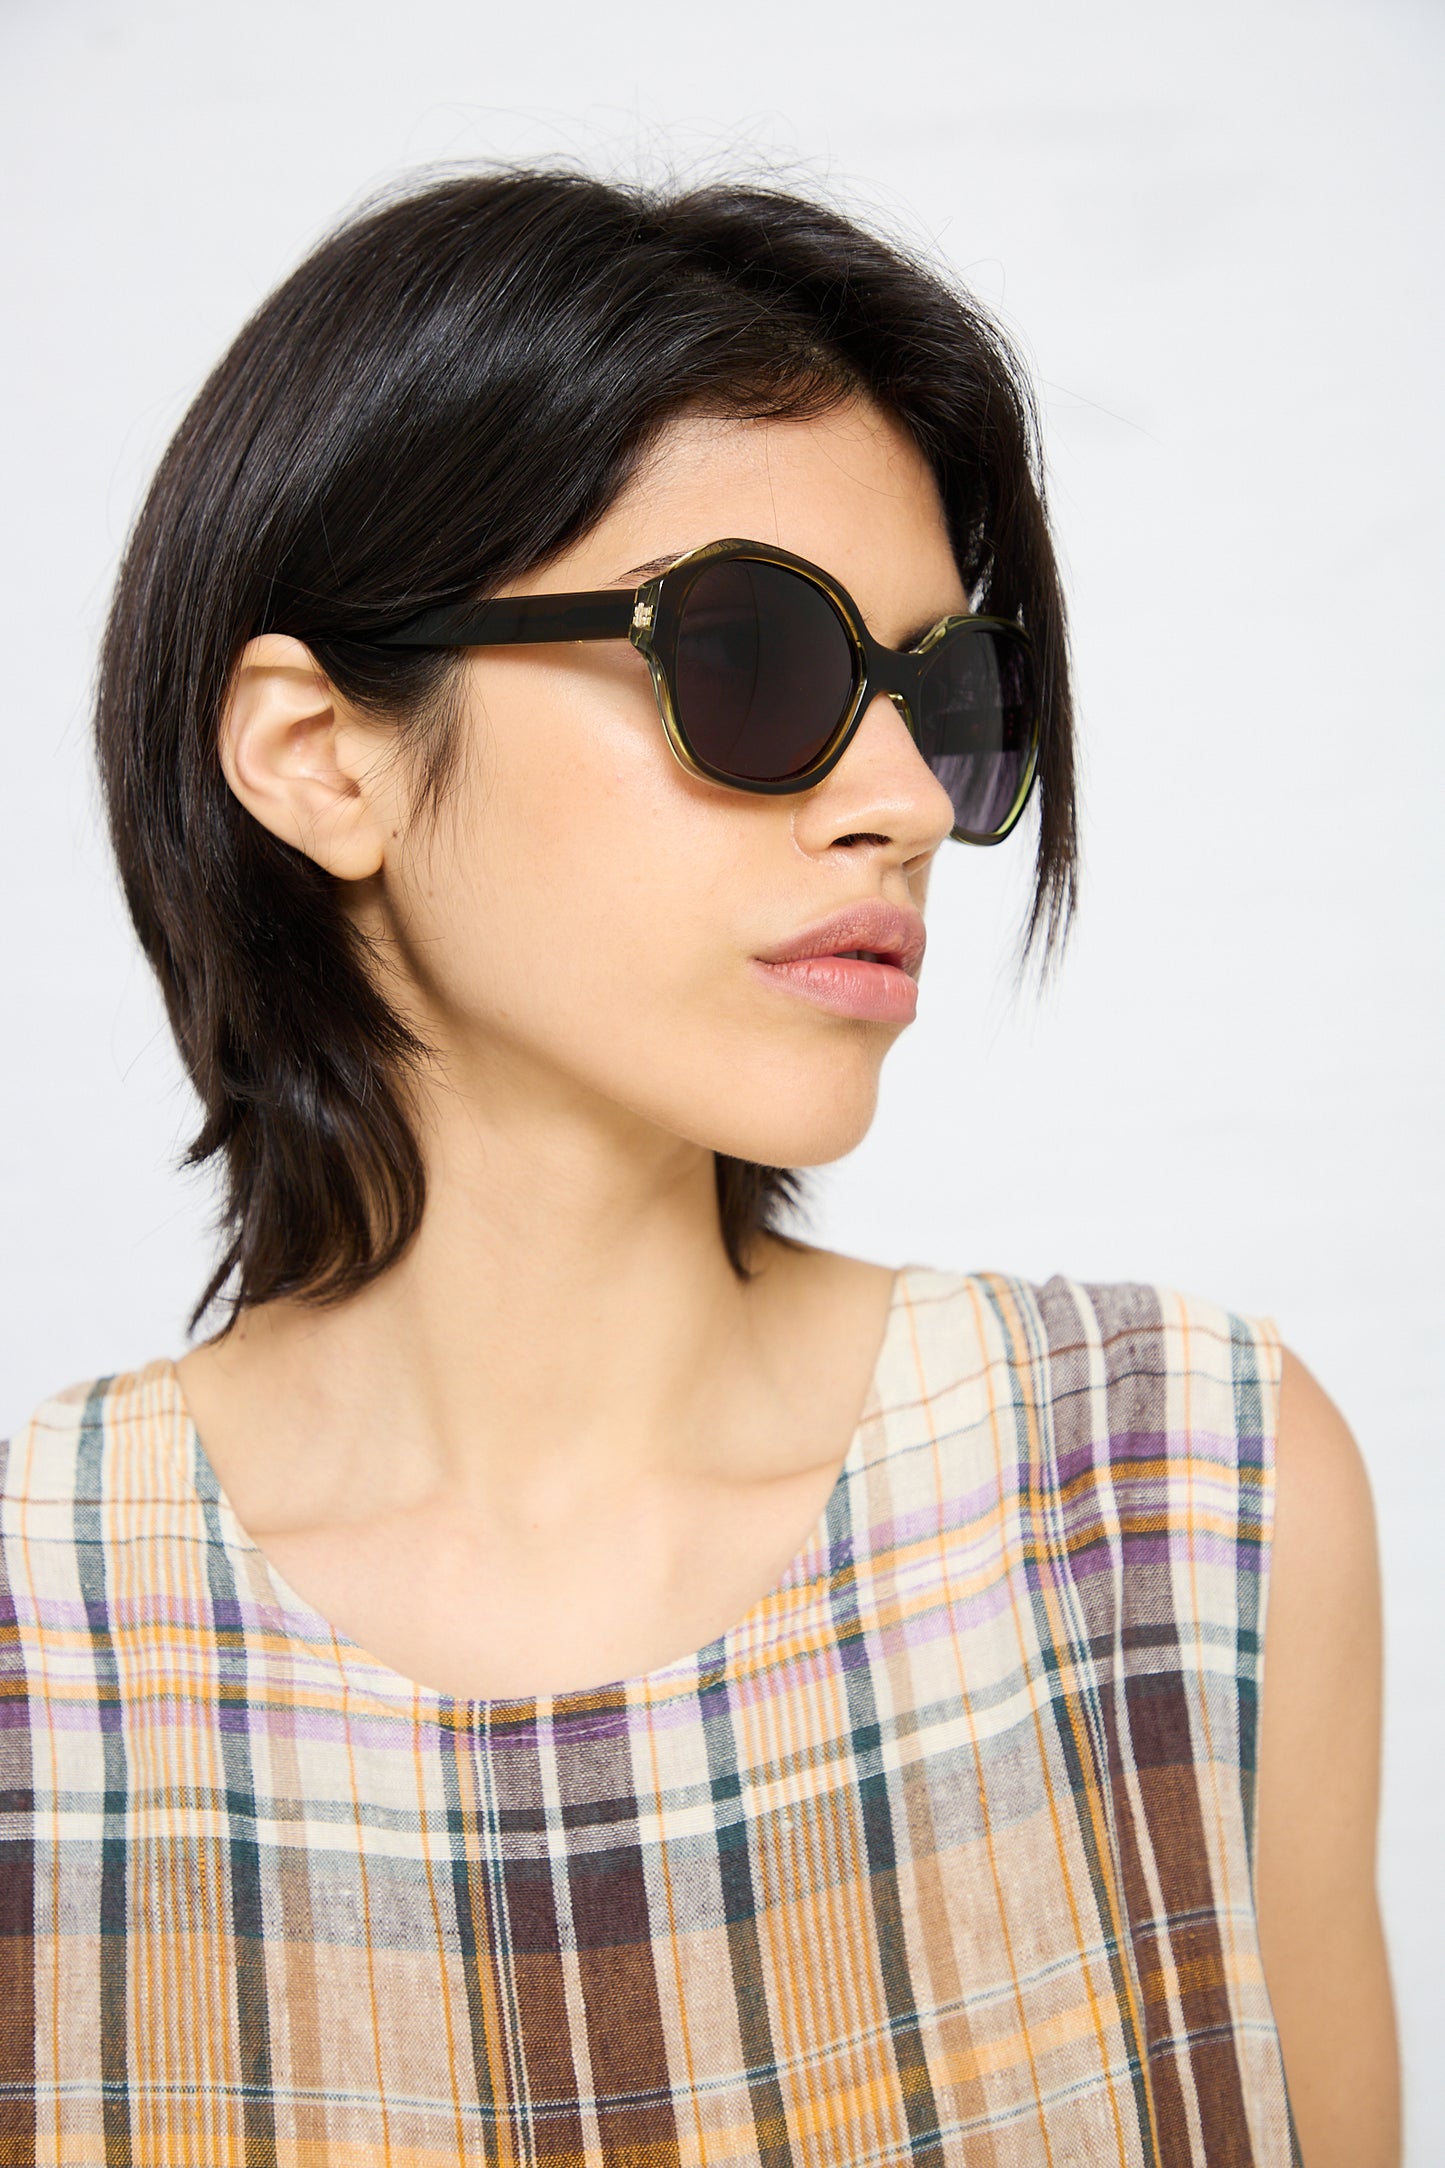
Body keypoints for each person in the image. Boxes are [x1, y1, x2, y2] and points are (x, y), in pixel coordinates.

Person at [0, 167, 1398, 2166]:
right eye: (751, 659)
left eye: (946, 697)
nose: (907, 802)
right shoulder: (40, 1634)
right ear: (325, 753)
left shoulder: (1183, 1499)